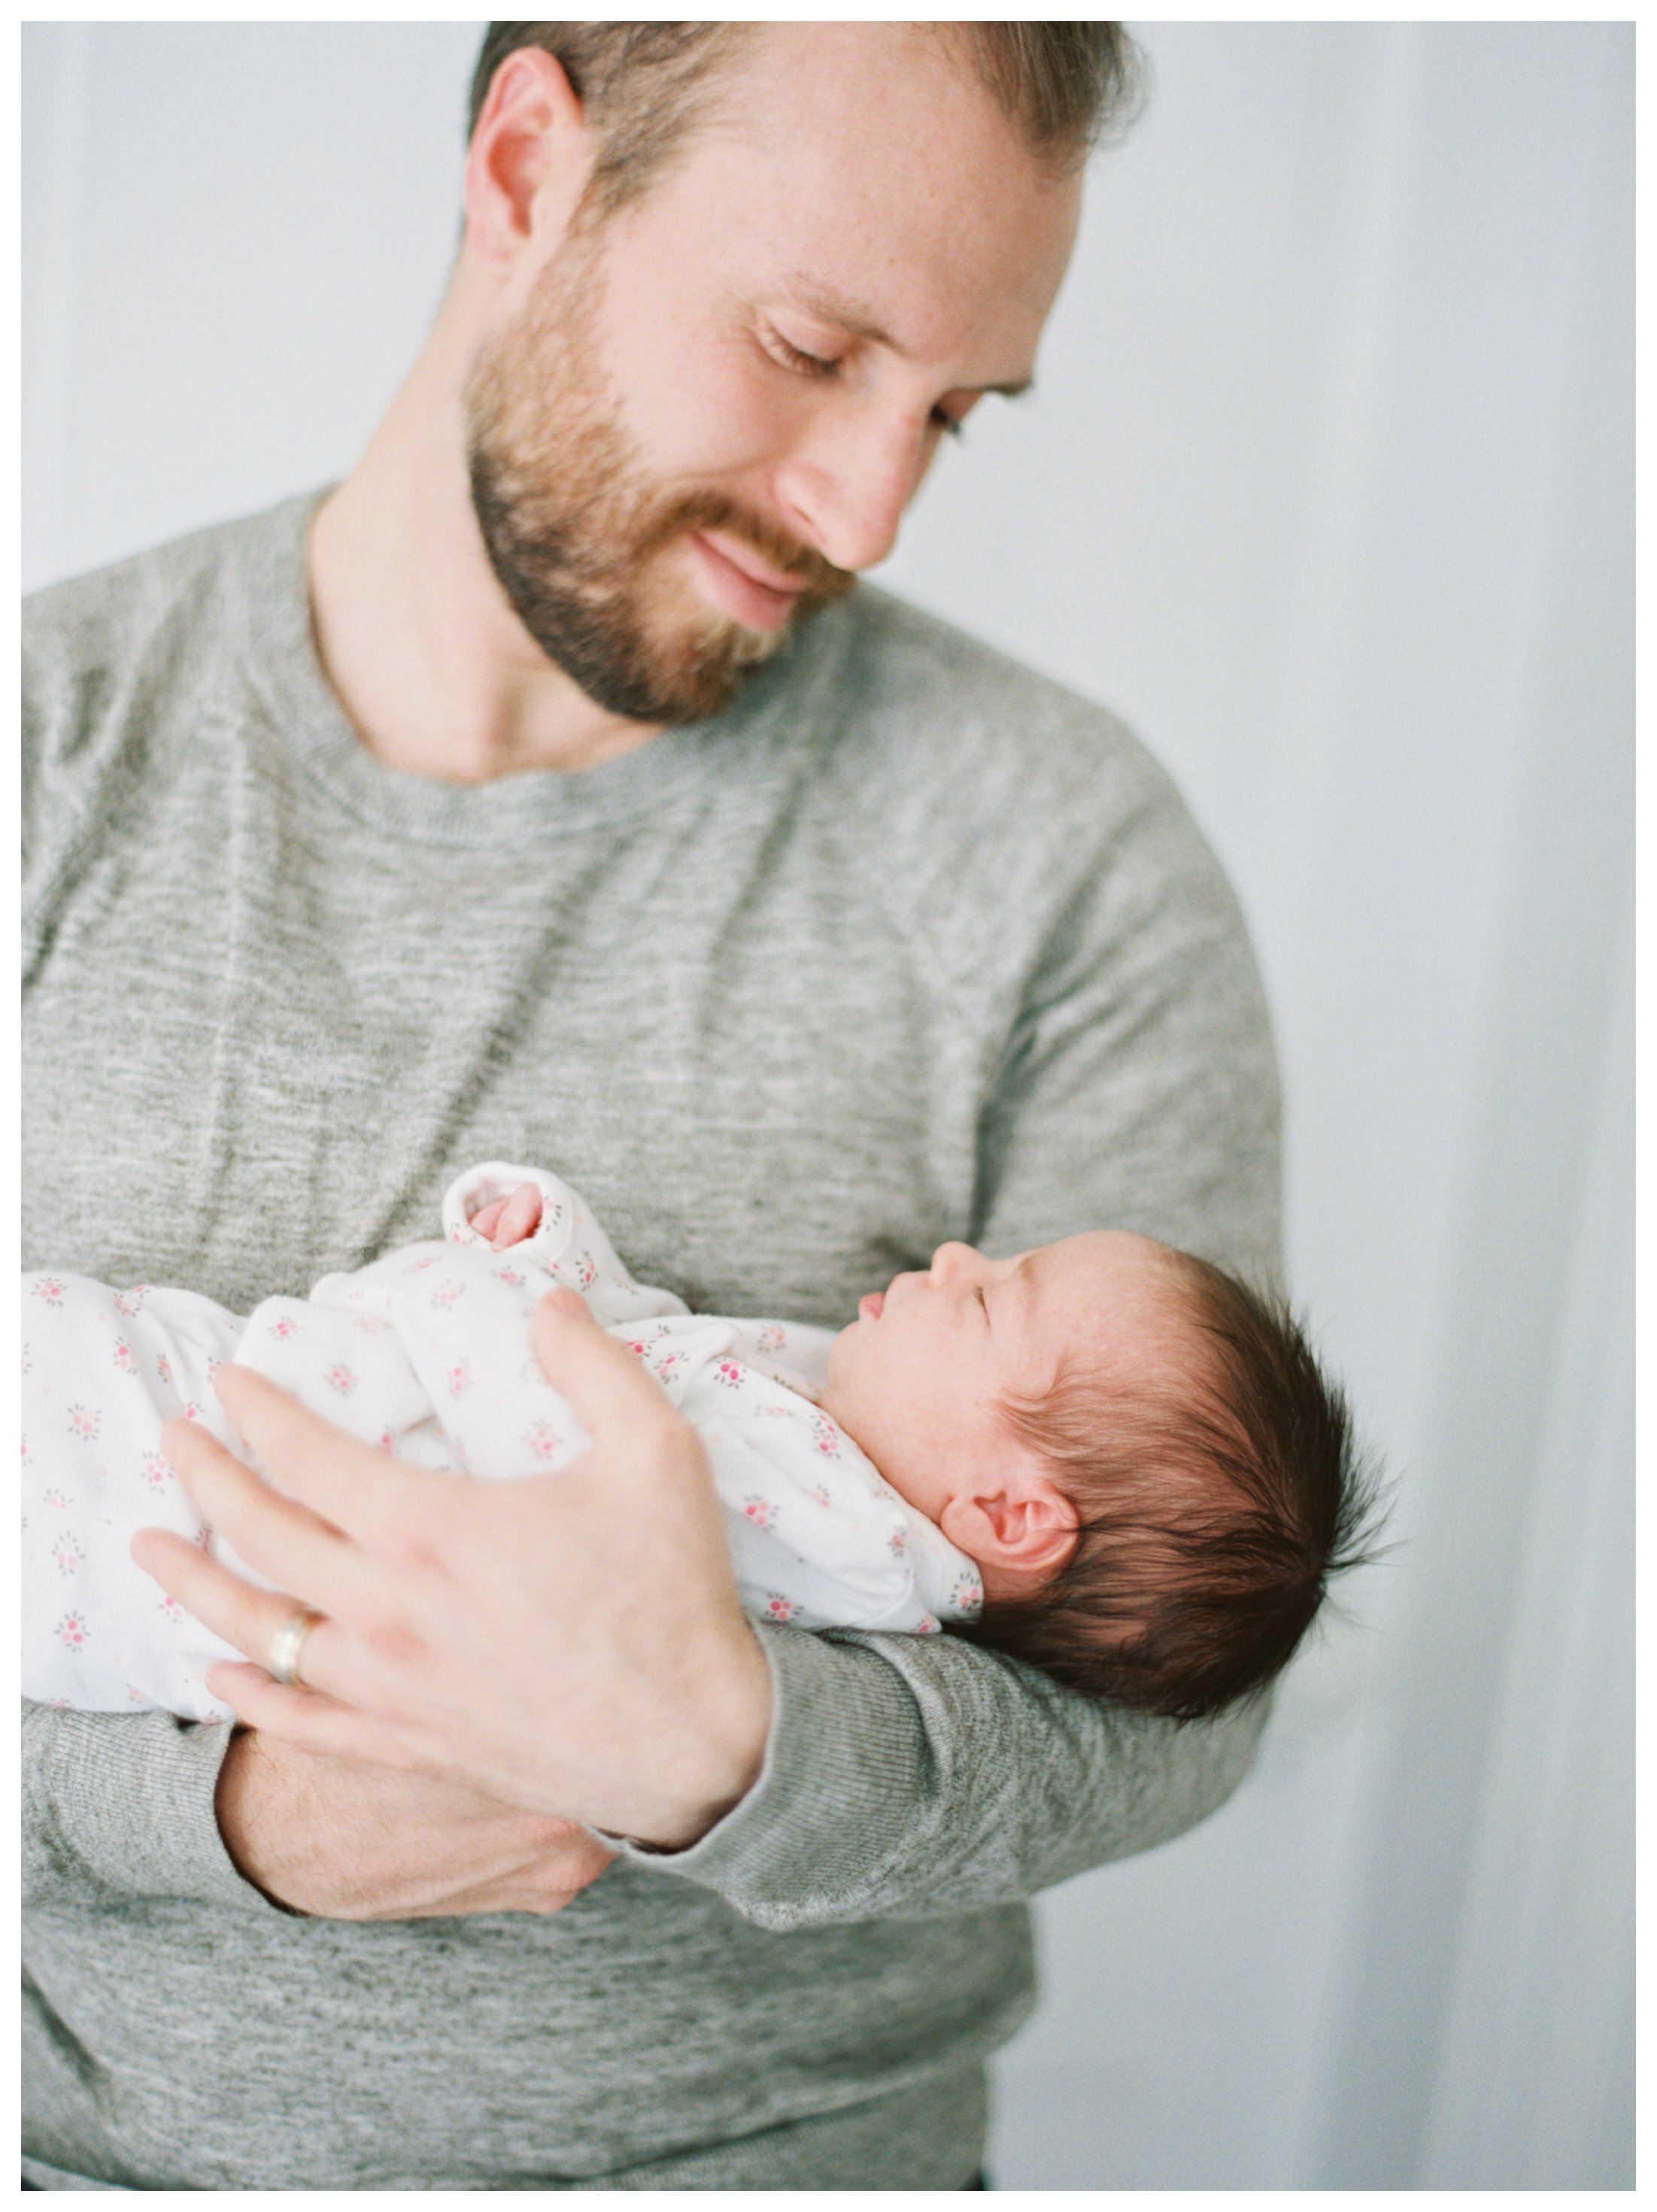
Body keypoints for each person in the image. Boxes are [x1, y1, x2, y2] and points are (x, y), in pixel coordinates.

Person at [22, 22, 1285, 2190]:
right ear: (528, 167)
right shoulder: (50, 756)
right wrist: (220, 1809)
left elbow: (1184, 1694)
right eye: (812, 348)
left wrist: (721, 1740)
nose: (866, 509)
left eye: (951, 415)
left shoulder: (1060, 851)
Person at [28, 1161, 1370, 1726]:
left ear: (1011, 1515)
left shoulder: (831, 1535)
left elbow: (563, 1462)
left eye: (989, 1294)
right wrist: (546, 1248)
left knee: (64, 1375)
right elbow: (637, 1351)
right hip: (236, 1442)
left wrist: (474, 1292)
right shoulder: (843, 1431)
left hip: (189, 1507)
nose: (955, 1253)